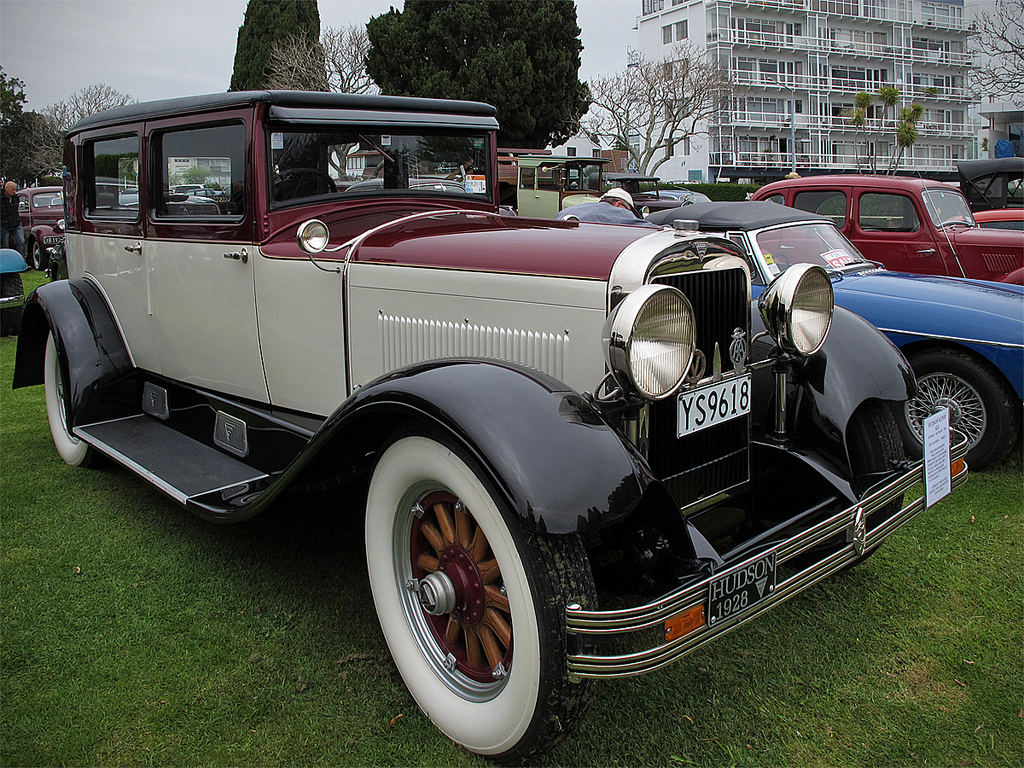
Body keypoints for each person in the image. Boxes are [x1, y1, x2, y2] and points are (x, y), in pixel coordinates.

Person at [1, 180, 25, 256]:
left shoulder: (15, 198)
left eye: (15, 189)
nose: (14, 191)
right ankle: (6, 261)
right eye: (12, 190)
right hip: (4, 225)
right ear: (6, 188)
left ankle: (22, 260)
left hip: (16, 223)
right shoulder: (1, 198)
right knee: (5, 245)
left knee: (21, 242)